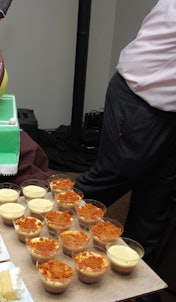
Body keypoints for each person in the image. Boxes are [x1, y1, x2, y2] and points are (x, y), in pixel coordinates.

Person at [75, 0, 176, 283]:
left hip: (169, 109)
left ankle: (136, 285)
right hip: (140, 101)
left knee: (154, 205)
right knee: (105, 184)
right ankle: (43, 245)